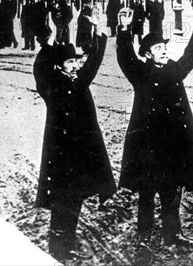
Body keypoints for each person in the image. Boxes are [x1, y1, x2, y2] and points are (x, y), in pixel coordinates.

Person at [116, 7, 193, 248]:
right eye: (158, 48)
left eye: (164, 47)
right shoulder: (140, 73)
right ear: (147, 54)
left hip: (173, 145)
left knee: (172, 191)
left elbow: (191, 55)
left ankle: (173, 234)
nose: (164, 50)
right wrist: (124, 29)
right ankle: (144, 233)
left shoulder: (173, 71)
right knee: (146, 191)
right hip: (147, 146)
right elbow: (125, 58)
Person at [33, 18, 116, 261]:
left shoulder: (80, 82)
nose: (75, 65)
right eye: (70, 62)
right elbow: (40, 71)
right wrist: (46, 47)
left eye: (76, 61)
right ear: (59, 66)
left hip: (81, 152)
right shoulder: (51, 86)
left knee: (76, 197)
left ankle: (66, 243)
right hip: (59, 154)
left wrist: (100, 37)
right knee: (61, 200)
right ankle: (57, 246)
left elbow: (93, 63)